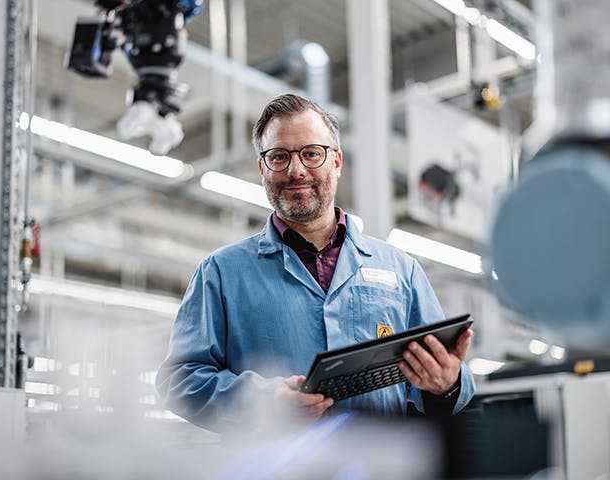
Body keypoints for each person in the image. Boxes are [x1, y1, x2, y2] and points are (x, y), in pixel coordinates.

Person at [156, 93, 475, 433]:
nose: (296, 170)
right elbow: (180, 380)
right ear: (263, 168)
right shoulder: (220, 273)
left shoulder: (401, 269)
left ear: (336, 162)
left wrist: (447, 383)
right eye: (279, 157)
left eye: (311, 153)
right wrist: (266, 400)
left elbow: (447, 384)